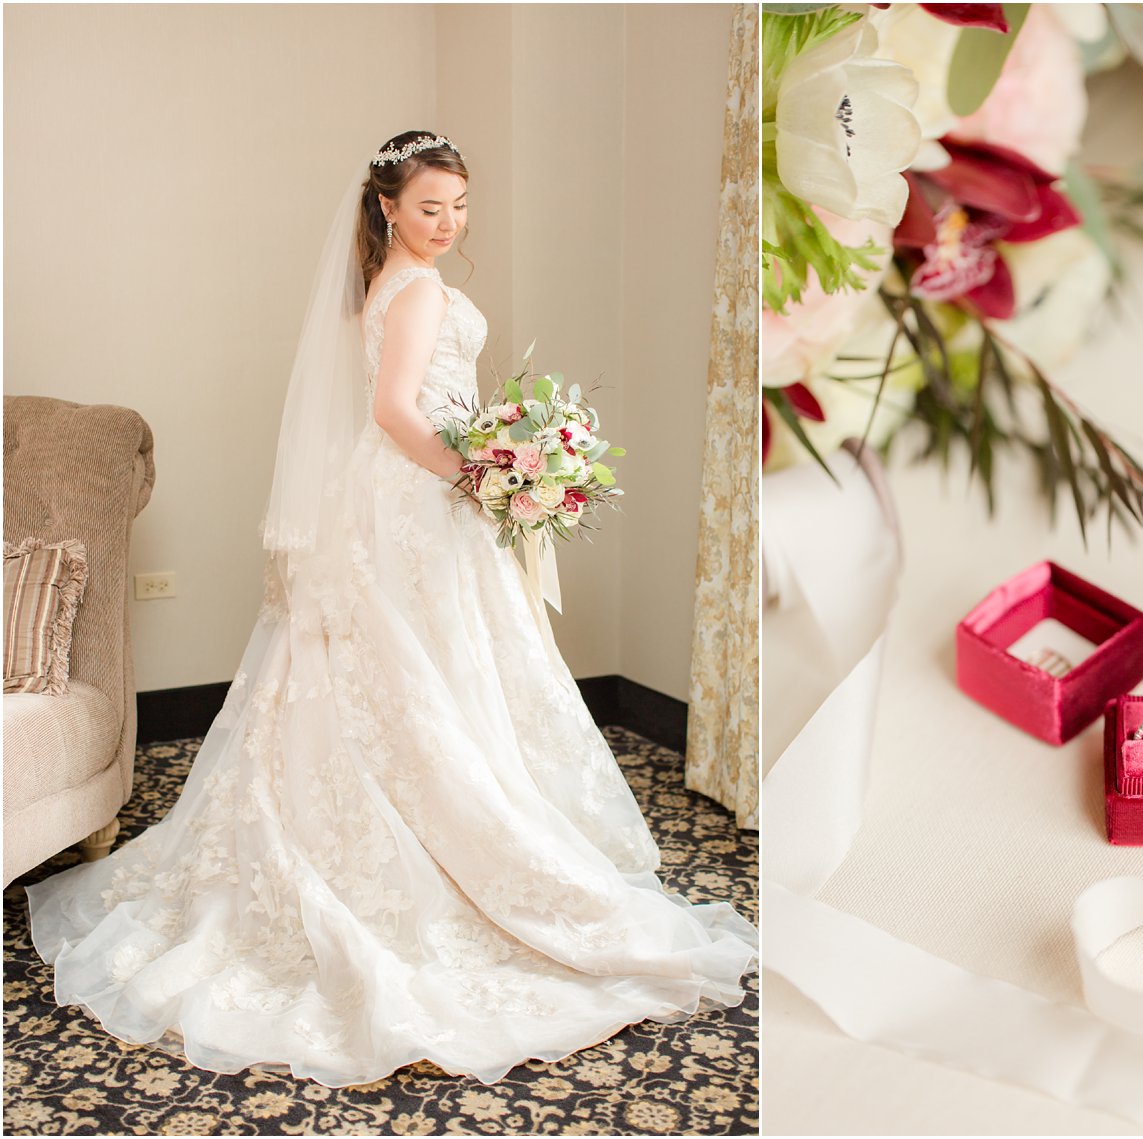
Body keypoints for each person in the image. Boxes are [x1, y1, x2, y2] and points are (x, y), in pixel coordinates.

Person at [25, 130, 759, 1088]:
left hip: (403, 496)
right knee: (423, 670)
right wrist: (485, 474)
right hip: (416, 491)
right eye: (430, 208)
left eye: (459, 206)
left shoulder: (393, 285)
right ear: (387, 208)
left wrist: (495, 464)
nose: (449, 223)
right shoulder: (414, 292)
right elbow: (395, 409)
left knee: (413, 669)